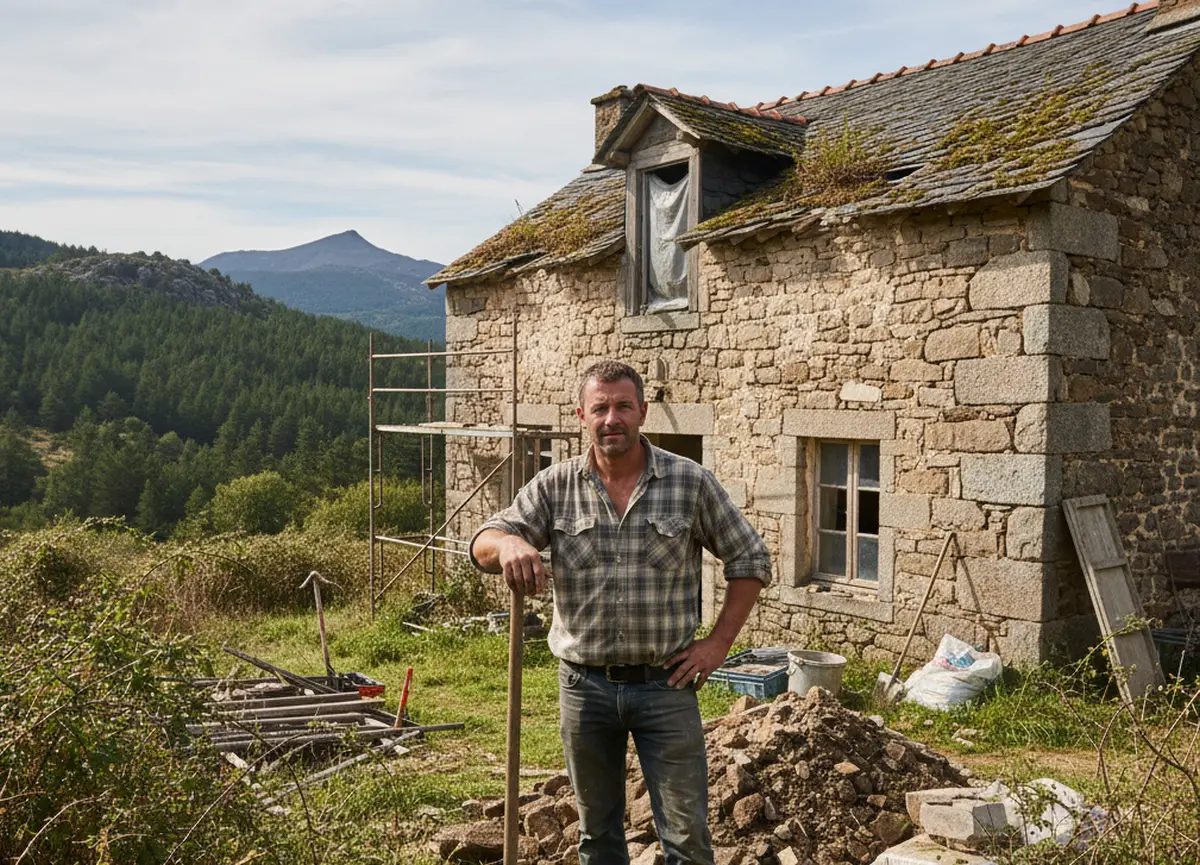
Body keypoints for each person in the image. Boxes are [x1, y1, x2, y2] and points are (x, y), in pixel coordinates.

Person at [470, 359, 771, 865]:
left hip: (666, 686)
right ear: (582, 416)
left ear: (643, 412)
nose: (612, 418)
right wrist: (509, 546)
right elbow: (482, 541)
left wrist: (718, 644)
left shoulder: (689, 482)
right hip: (584, 689)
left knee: (687, 841)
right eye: (601, 408)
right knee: (598, 838)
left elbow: (751, 558)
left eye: (623, 407)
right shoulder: (553, 486)